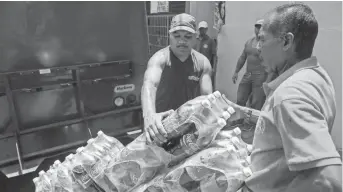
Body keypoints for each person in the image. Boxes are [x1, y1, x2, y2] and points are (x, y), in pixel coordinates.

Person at [222, 3, 342, 192]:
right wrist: (244, 113)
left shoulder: (290, 94)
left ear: (286, 41)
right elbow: (281, 123)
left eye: (262, 39)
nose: (258, 47)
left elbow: (328, 181)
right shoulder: (314, 76)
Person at [141, 13, 213, 144]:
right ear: (170, 36)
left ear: (195, 38)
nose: (182, 41)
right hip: (160, 127)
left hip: (188, 130)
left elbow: (207, 100)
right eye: (177, 36)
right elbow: (150, 85)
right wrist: (149, 116)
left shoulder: (203, 63)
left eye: (187, 36)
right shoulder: (160, 59)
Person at [232, 19, 267, 112]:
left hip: (260, 75)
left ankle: (253, 124)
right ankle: (239, 119)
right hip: (248, 74)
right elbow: (242, 57)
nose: (258, 29)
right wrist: (236, 72)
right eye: (257, 26)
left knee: (257, 102)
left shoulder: (266, 43)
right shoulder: (249, 42)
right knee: (240, 98)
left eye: (261, 27)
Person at [195, 21, 217, 89]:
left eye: (203, 29)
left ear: (206, 29)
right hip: (196, 68)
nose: (202, 30)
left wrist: (214, 68)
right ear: (199, 29)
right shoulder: (195, 40)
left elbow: (214, 56)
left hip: (206, 68)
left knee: (206, 86)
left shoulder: (210, 41)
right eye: (201, 29)